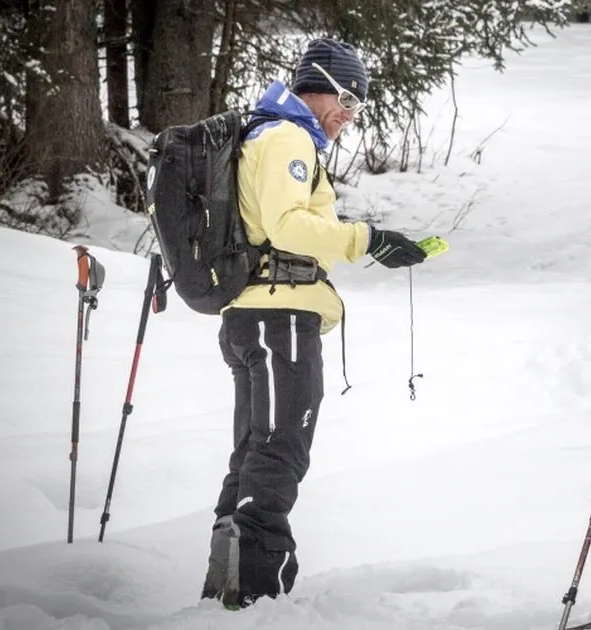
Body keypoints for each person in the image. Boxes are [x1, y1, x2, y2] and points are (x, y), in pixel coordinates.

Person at [201, 37, 429, 609]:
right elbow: (288, 226)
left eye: (358, 105)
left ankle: (227, 588)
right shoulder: (286, 137)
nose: (349, 115)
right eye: (346, 98)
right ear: (316, 85)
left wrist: (364, 239)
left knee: (257, 447)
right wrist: (368, 239)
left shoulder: (277, 134)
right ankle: (252, 592)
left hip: (260, 315)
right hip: (278, 316)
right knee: (280, 448)